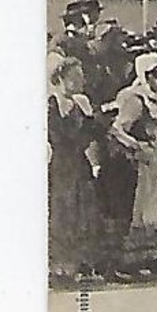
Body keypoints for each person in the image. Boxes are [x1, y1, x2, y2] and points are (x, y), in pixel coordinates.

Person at [104, 52, 157, 280]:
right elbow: (117, 129)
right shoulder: (135, 99)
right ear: (147, 77)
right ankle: (131, 260)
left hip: (156, 161)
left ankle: (155, 257)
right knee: (143, 210)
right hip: (140, 164)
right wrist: (136, 146)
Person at [48, 54, 106, 284]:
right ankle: (58, 266)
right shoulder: (50, 104)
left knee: (83, 212)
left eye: (81, 77)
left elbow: (90, 134)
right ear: (60, 78)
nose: (81, 81)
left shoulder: (82, 102)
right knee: (62, 211)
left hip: (78, 163)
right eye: (75, 77)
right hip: (60, 163)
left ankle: (80, 264)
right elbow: (55, 136)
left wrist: (94, 161)